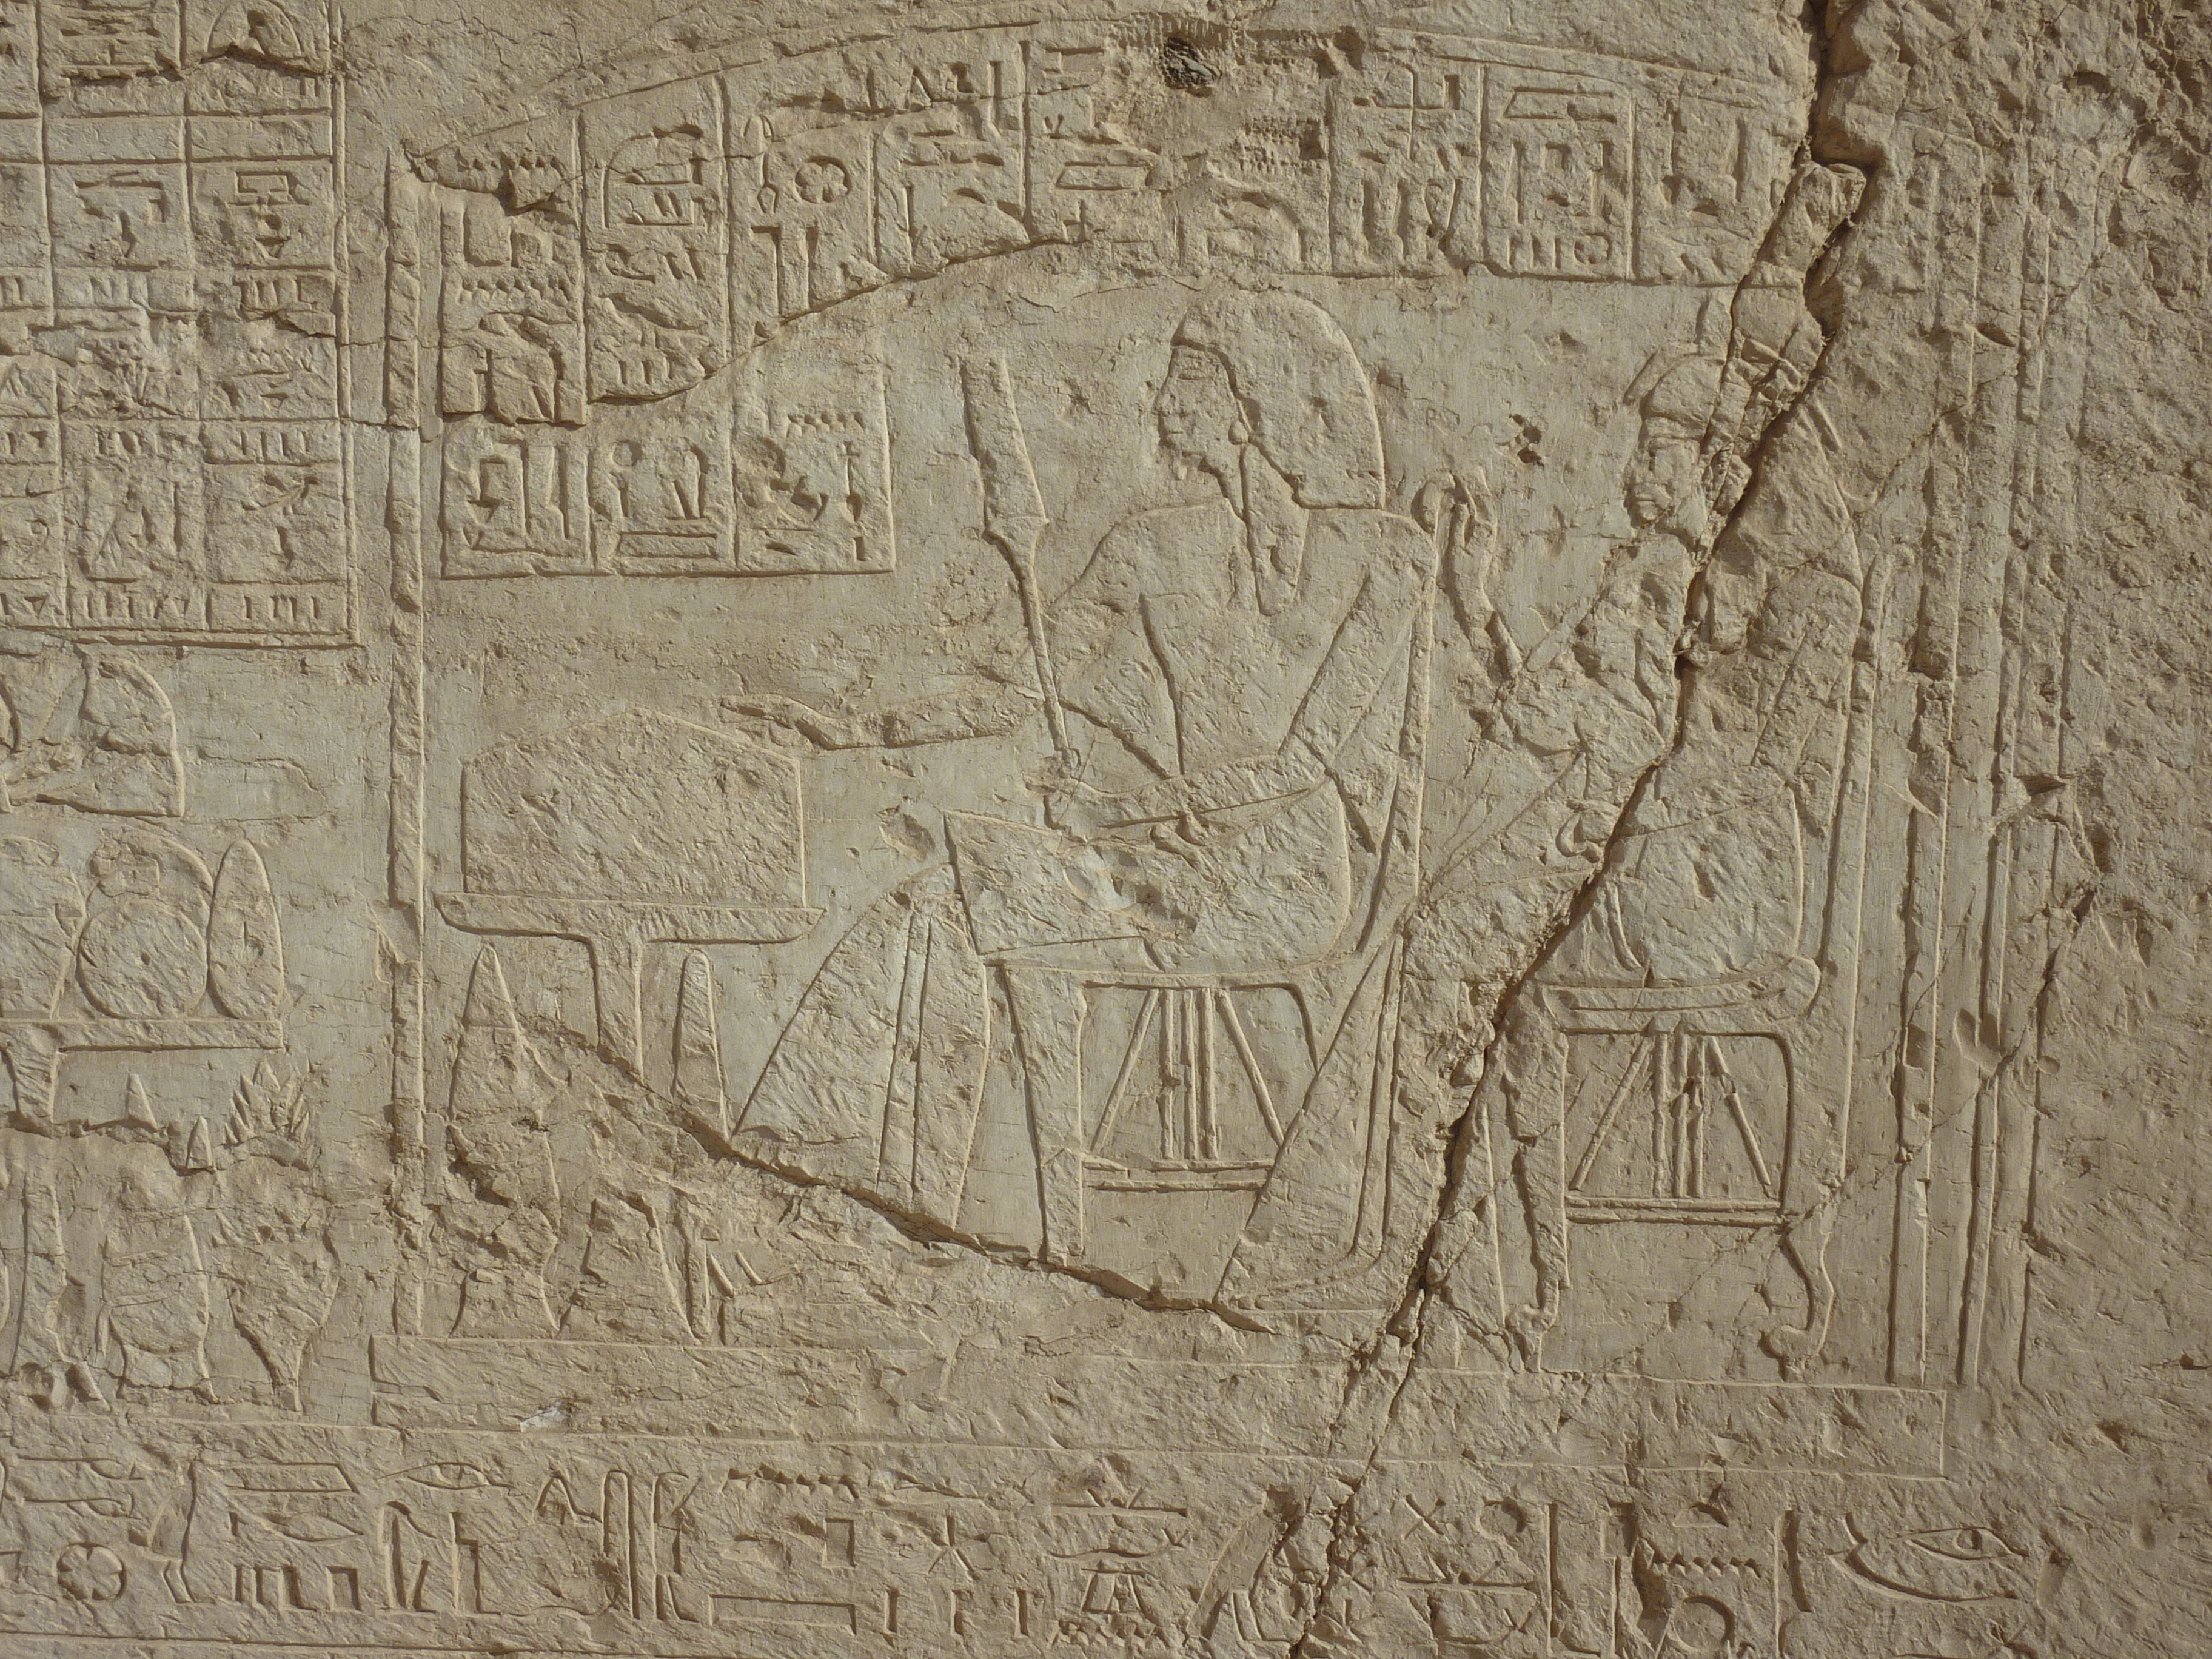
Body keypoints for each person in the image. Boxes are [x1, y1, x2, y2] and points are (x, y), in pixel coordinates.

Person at [730, 290, 1435, 1282]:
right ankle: (884, 1181)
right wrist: (861, 728)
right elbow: (1022, 684)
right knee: (932, 905)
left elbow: (1305, 762)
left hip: (1280, 875)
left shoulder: (1383, 557)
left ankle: (938, 1208)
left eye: (1187, 384)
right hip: (1167, 857)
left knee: (970, 912)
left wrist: (1119, 812)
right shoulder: (1152, 545)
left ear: (1249, 403)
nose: (1162, 408)